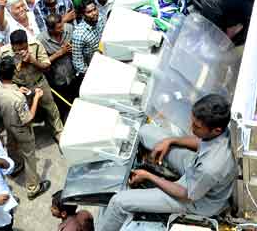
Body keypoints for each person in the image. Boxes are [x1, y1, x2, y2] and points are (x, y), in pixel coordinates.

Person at [97, 94, 237, 231]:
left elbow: (185, 194)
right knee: (145, 132)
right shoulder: (222, 129)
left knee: (119, 202)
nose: (191, 128)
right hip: (195, 167)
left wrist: (148, 176)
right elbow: (202, 142)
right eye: (192, 122)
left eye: (197, 127)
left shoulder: (211, 167)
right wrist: (171, 141)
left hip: (194, 200)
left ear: (216, 130)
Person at [0, 57, 51, 200]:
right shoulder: (18, 99)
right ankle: (33, 188)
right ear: (14, 73)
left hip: (7, 122)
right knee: (29, 156)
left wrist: (15, 90)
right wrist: (36, 98)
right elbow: (28, 119)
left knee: (11, 145)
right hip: (21, 128)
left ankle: (14, 167)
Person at [0, 29, 64, 140]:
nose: (21, 52)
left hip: (39, 82)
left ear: (27, 42)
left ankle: (58, 131)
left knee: (51, 108)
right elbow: (3, 73)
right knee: (24, 114)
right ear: (12, 45)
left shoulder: (36, 45)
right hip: (20, 87)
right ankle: (29, 138)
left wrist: (33, 61)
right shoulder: (4, 52)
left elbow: (46, 66)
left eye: (23, 48)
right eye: (17, 50)